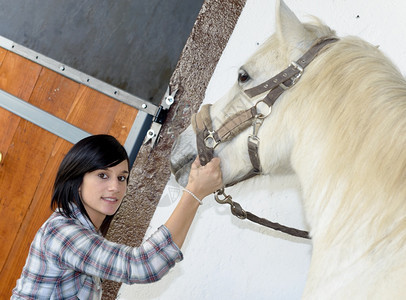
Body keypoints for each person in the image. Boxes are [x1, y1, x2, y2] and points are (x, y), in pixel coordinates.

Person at [12, 134, 222, 299]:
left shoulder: (83, 230)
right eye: (103, 175)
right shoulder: (62, 233)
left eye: (122, 178)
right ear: (76, 180)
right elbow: (142, 265)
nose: (115, 187)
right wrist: (194, 193)